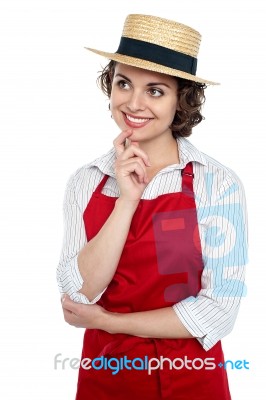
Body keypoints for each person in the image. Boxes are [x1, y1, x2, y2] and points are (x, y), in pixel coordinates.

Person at [57, 14, 248, 400]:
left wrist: (108, 321)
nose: (134, 103)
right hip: (106, 378)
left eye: (156, 91)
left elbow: (218, 312)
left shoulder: (218, 184)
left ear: (182, 101)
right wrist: (127, 200)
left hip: (190, 380)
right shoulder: (87, 181)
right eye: (123, 83)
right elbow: (78, 295)